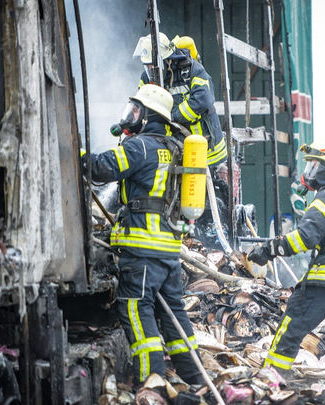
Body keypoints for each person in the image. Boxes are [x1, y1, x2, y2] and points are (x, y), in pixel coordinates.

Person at [81, 84, 204, 386]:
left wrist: (76, 152)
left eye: (136, 110)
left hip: (143, 252)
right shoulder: (174, 147)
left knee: (137, 311)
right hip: (168, 253)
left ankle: (152, 383)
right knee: (174, 315)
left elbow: (103, 168)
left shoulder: (141, 147)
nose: (130, 115)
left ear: (149, 116)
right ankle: (196, 377)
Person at [247, 143, 325, 397]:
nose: (310, 172)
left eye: (315, 166)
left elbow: (305, 237)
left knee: (290, 330)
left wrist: (269, 249)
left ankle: (269, 383)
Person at [133, 32, 227, 167]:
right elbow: (141, 105)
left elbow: (203, 100)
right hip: (176, 150)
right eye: (148, 66)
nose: (151, 70)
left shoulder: (193, 70)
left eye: (153, 65)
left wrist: (172, 117)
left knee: (202, 180)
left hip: (207, 151)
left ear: (167, 60)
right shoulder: (147, 78)